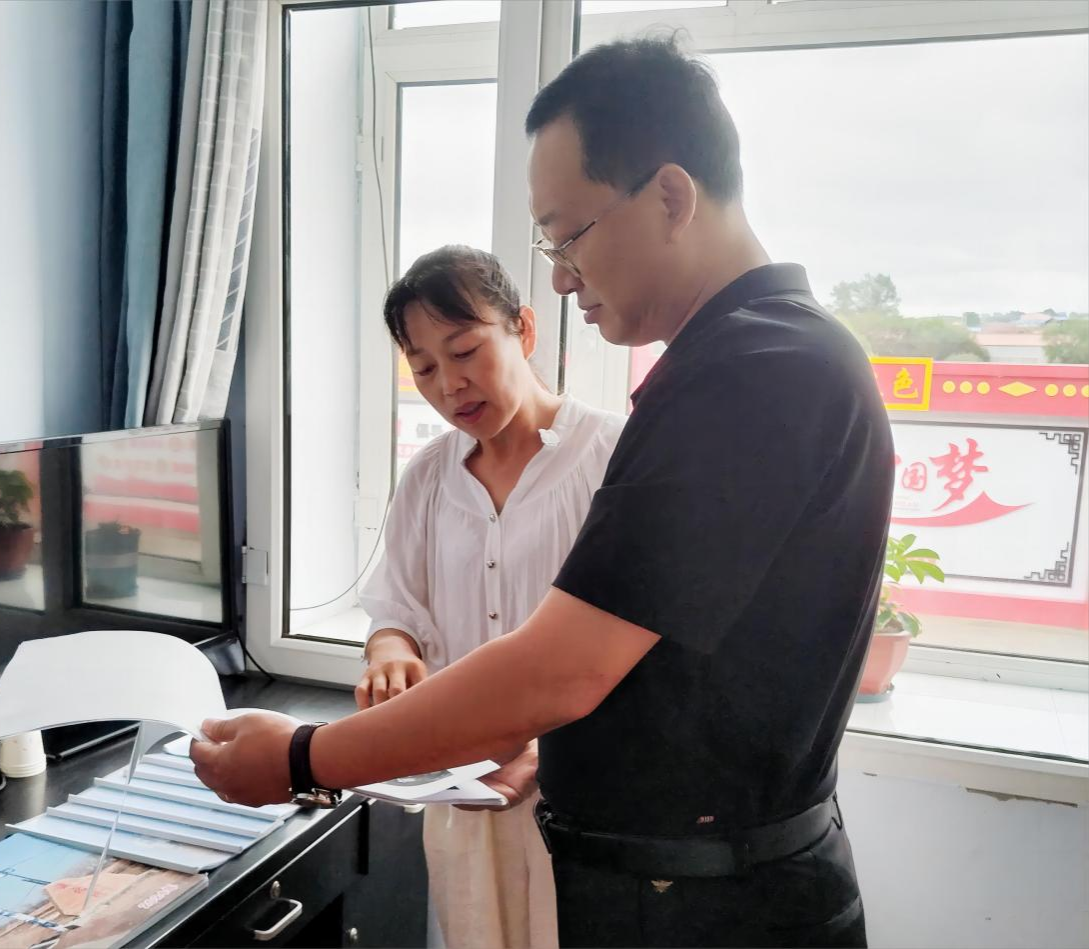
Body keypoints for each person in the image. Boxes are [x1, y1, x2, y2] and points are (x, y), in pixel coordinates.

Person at [192, 35, 893, 948]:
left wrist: (301, 756)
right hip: (677, 886)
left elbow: (561, 667)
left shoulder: (754, 372)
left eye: (569, 235)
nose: (561, 276)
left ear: (671, 197)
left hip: (711, 910)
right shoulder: (752, 357)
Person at [355, 244, 625, 949]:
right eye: (423, 368)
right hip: (465, 787)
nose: (450, 384)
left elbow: (640, 639)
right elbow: (398, 609)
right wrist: (390, 654)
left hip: (587, 794)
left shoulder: (612, 456)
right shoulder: (427, 478)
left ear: (523, 330)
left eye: (465, 350)